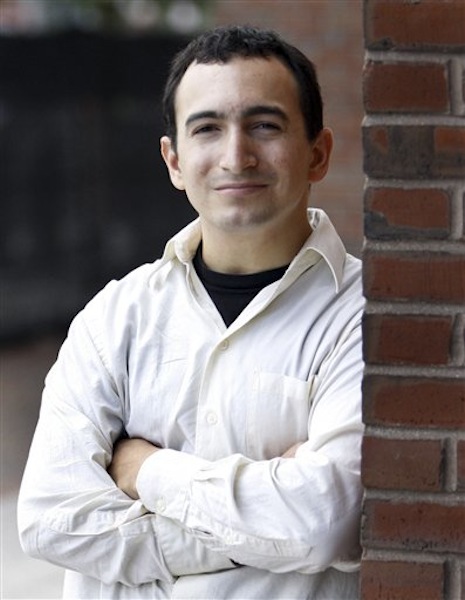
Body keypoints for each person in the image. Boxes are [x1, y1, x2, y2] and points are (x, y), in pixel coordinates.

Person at [18, 25, 365, 599]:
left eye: (265, 125)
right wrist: (264, 535)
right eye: (208, 128)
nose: (237, 155)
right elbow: (50, 518)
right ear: (174, 160)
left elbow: (329, 519)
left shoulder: (362, 317)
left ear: (318, 153)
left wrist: (145, 472)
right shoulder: (114, 319)